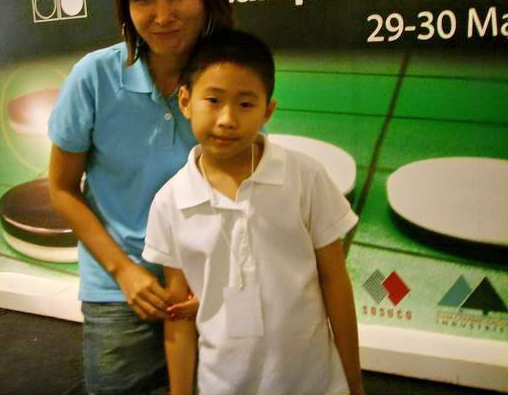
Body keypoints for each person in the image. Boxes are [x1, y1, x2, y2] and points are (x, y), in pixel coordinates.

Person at [47, 0, 233, 393]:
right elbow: (62, 188)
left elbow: (243, 192)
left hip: (207, 286)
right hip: (120, 292)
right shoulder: (93, 77)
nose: (162, 14)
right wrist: (123, 271)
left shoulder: (230, 80)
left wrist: (222, 282)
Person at [143, 29, 364, 395]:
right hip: (222, 383)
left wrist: (353, 381)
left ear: (267, 111)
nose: (227, 119)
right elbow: (178, 316)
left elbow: (335, 281)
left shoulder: (304, 176)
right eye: (213, 100)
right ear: (185, 101)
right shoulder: (170, 203)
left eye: (245, 104)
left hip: (313, 382)